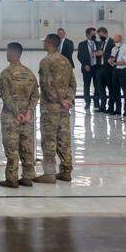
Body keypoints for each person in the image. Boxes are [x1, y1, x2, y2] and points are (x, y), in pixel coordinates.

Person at [35, 34, 76, 184]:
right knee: (63, 139)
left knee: (49, 140)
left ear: (49, 43)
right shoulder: (66, 61)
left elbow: (46, 85)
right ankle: (66, 171)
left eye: (44, 41)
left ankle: (49, 173)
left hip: (50, 109)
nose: (43, 44)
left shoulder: (46, 61)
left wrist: (58, 100)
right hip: (64, 108)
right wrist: (67, 100)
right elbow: (73, 85)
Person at [0, 41, 40, 188]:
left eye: (7, 51)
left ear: (11, 53)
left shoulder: (6, 74)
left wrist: (17, 113)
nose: (6, 54)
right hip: (27, 118)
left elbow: (6, 97)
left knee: (12, 149)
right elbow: (36, 95)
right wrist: (28, 112)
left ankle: (12, 179)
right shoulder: (29, 73)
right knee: (27, 148)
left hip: (12, 118)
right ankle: (28, 177)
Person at [108, 32, 126, 115]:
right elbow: (112, 58)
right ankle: (118, 109)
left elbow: (125, 61)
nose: (114, 40)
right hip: (115, 71)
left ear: (120, 39)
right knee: (116, 91)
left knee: (125, 91)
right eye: (113, 39)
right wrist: (111, 61)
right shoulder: (114, 49)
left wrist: (115, 63)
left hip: (123, 71)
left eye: (115, 38)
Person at [94, 27, 115, 112]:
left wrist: (104, 54)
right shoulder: (100, 43)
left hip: (108, 69)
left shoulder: (112, 42)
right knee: (101, 88)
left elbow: (113, 55)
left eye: (101, 35)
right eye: (99, 36)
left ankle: (110, 107)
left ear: (105, 33)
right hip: (100, 68)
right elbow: (98, 52)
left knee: (110, 89)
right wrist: (96, 53)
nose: (100, 37)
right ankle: (102, 106)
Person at [76, 28, 95, 109]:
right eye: (92, 34)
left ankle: (96, 102)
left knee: (97, 86)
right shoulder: (82, 44)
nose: (94, 35)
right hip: (86, 68)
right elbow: (79, 56)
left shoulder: (98, 43)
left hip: (96, 68)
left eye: (95, 34)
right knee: (86, 86)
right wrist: (85, 65)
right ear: (87, 35)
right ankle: (87, 102)